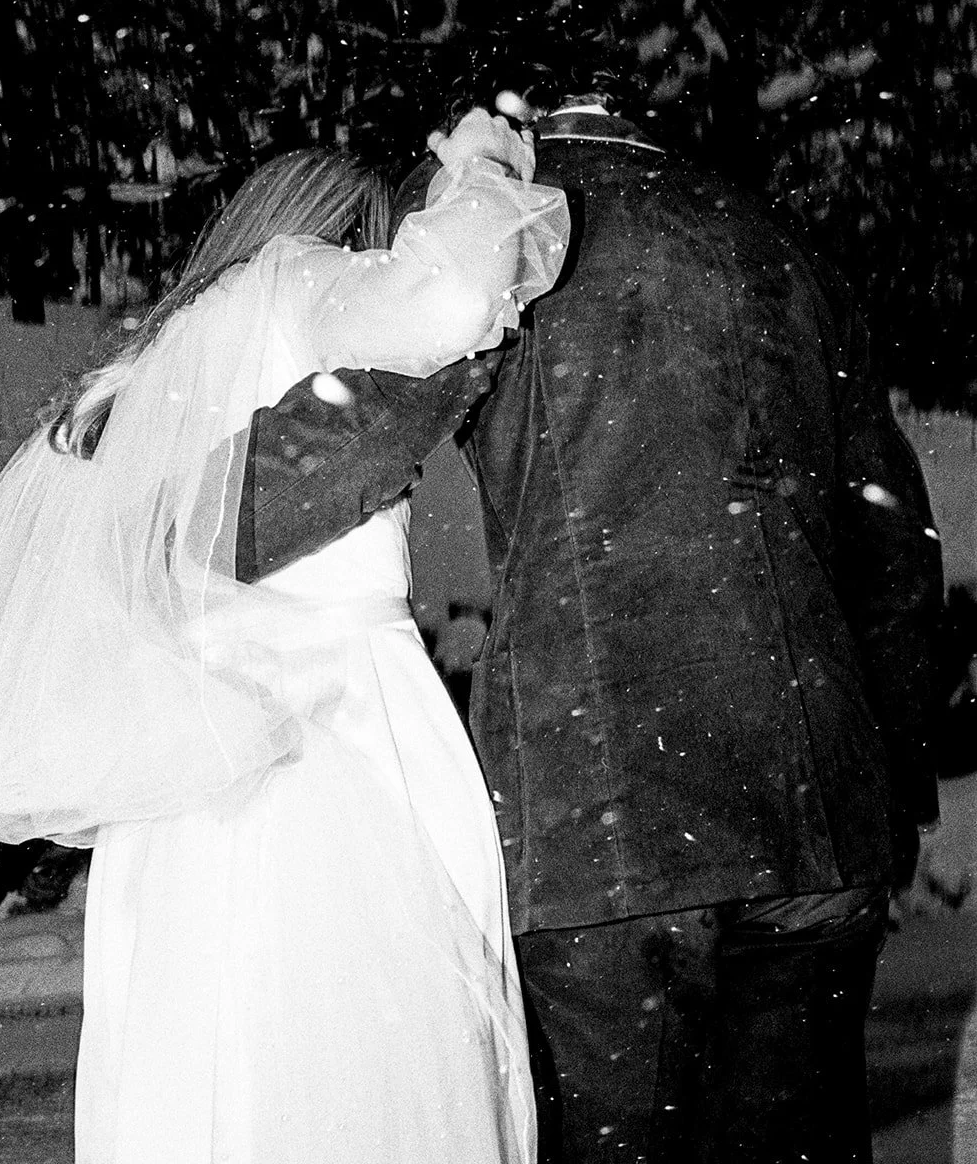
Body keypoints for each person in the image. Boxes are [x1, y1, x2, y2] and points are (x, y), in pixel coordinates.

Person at [235, 89, 945, 1163]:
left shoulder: (504, 231)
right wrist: (887, 783)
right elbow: (893, 555)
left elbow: (337, 447)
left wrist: (170, 483)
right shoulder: (776, 248)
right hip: (813, 809)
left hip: (600, 819)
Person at [0, 110, 571, 1164]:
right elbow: (449, 297)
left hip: (193, 782)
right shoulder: (304, 278)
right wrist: (481, 175)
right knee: (358, 1079)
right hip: (326, 754)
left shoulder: (164, 357)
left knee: (211, 1079)